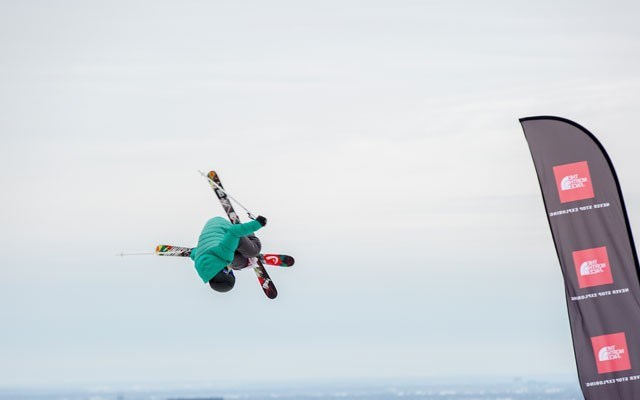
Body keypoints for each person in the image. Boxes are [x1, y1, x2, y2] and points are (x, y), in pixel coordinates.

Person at [189, 215, 267, 292]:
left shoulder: (224, 253)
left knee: (253, 251)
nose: (231, 270)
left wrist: (257, 223)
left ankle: (247, 236)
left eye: (230, 272)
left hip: (223, 226)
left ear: (225, 272)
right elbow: (196, 254)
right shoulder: (201, 266)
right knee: (235, 263)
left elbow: (234, 232)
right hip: (212, 233)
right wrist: (192, 252)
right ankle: (245, 257)